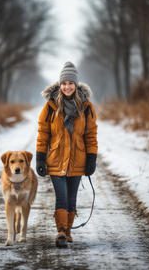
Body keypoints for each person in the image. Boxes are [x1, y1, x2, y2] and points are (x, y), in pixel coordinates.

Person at [36, 61, 98, 248]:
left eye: (70, 83)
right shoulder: (50, 106)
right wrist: (40, 157)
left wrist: (92, 158)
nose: (67, 87)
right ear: (60, 84)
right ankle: (61, 231)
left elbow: (91, 135)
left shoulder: (86, 107)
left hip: (77, 160)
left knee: (72, 198)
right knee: (61, 196)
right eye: (64, 83)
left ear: (76, 84)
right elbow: (43, 133)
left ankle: (68, 232)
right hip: (55, 159)